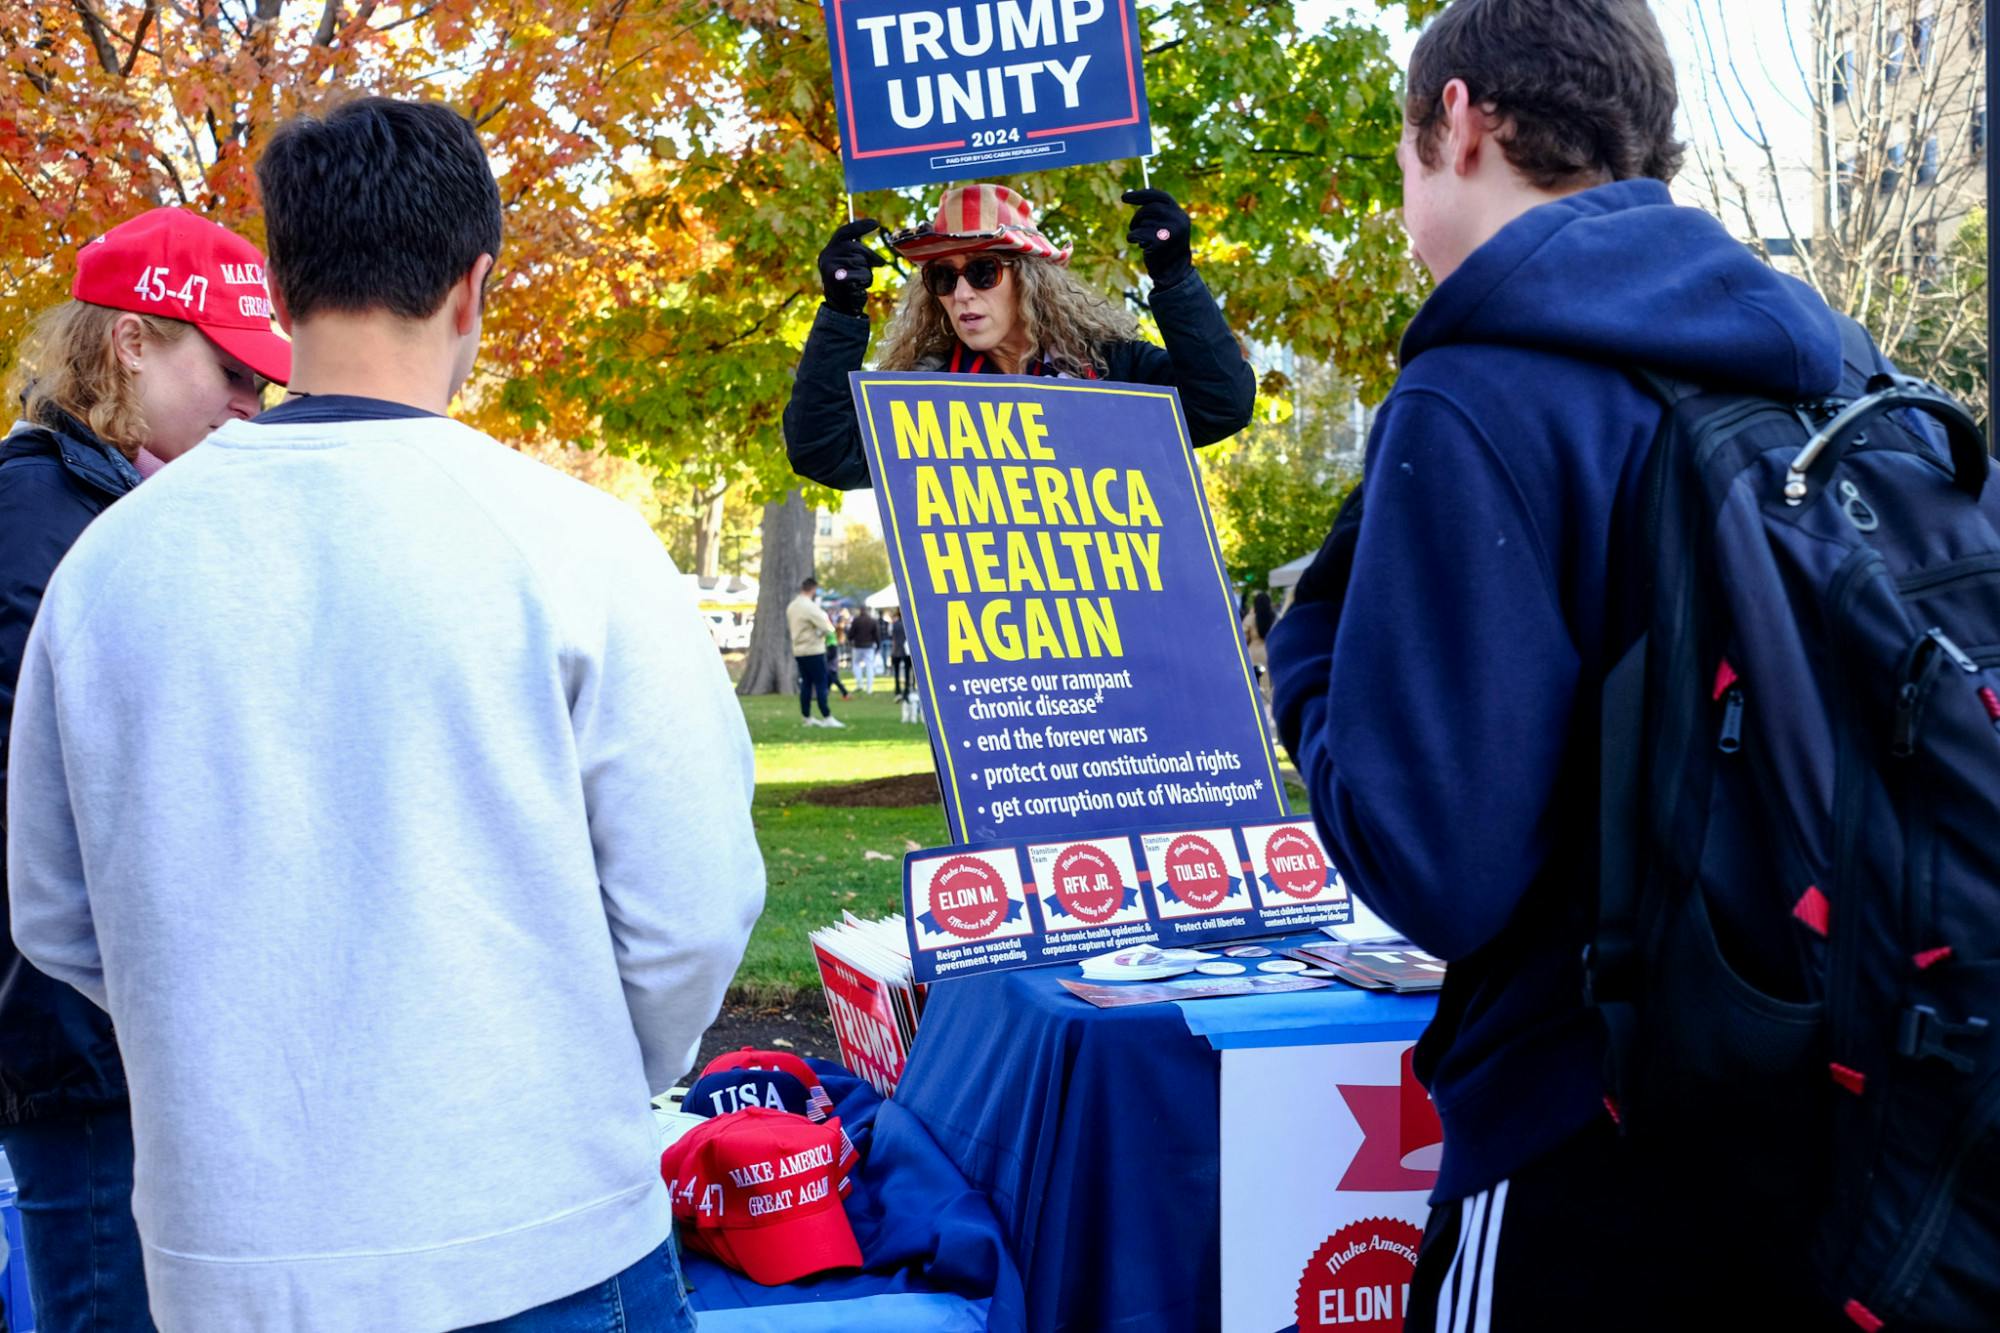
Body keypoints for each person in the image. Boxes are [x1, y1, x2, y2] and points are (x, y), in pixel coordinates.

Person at [5, 98, 763, 1331]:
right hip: (540, 1231)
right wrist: (571, 1075)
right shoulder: (573, 543)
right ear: (473, 289)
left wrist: (230, 1060)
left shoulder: (110, 566)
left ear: (281, 289)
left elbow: (57, 913)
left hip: (234, 1247)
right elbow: (690, 906)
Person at [1265, 1, 1904, 1325]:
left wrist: (1306, 662)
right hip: (1857, 1113)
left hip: (1590, 1131)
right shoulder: (1839, 362)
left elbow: (1436, 871)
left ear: (1456, 120)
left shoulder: (1481, 389)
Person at [0, 206, 286, 1333]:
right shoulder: (37, 514)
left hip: (133, 1022)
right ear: (130, 343)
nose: (252, 404)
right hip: (77, 1037)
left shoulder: (120, 500)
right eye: (232, 371)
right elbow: (79, 789)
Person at [783, 183, 1256, 490]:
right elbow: (823, 453)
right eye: (943, 278)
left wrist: (1175, 278)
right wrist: (840, 313)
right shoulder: (926, 395)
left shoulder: (1115, 369)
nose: (962, 294)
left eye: (982, 272)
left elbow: (1220, 408)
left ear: (1029, 279)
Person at [787, 577, 843, 728]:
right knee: (820, 683)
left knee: (806, 683)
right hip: (813, 649)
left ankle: (807, 716)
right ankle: (826, 715)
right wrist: (820, 633)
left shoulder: (792, 606)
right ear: (813, 589)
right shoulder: (809, 607)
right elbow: (827, 627)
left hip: (799, 650)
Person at [848, 606, 881, 694]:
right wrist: (878, 645)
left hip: (858, 646)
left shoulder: (856, 620)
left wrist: (850, 640)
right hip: (869, 646)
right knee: (869, 666)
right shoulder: (872, 621)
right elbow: (877, 635)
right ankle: (869, 688)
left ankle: (859, 684)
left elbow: (851, 633)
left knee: (856, 664)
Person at [888, 609, 912, 699]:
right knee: (907, 671)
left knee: (896, 672)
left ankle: (897, 689)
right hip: (906, 651)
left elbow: (890, 634)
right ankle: (907, 689)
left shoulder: (893, 624)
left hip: (896, 650)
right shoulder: (909, 624)